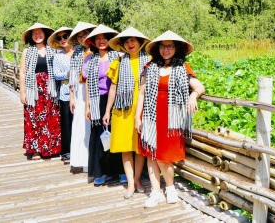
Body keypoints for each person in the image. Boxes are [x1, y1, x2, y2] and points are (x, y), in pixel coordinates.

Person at [135, 31, 205, 208]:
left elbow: (199, 86)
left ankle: (171, 188)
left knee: (165, 156)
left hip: (171, 119)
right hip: (150, 116)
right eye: (163, 46)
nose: (166, 50)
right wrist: (137, 117)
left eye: (170, 46)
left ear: (176, 48)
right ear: (158, 49)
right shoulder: (149, 67)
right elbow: (142, 94)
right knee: (151, 153)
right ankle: (156, 191)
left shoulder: (183, 68)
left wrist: (193, 96)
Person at [103, 27, 149, 198]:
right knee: (125, 148)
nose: (130, 44)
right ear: (123, 44)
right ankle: (130, 182)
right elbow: (113, 88)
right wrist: (107, 110)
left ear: (140, 42)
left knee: (139, 147)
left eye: (133, 40)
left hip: (143, 109)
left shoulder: (149, 61)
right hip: (123, 110)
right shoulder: (119, 62)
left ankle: (137, 179)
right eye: (127, 41)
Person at [83, 24, 123, 185]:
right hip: (96, 99)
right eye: (98, 38)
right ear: (93, 41)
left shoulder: (118, 56)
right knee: (99, 136)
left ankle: (119, 170)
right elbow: (86, 83)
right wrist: (87, 106)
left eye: (104, 38)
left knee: (116, 134)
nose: (101, 41)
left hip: (116, 99)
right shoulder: (90, 60)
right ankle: (101, 171)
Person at [19, 23, 61, 160]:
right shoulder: (27, 51)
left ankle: (52, 148)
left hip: (50, 89)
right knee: (34, 118)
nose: (38, 36)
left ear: (45, 34)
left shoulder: (53, 50)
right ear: (31, 36)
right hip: (34, 90)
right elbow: (23, 73)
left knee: (52, 118)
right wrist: (23, 92)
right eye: (34, 33)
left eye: (40, 33)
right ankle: (37, 150)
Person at [68, 21, 97, 174]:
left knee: (93, 126)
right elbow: (73, 75)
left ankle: (93, 161)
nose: (82, 38)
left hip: (96, 90)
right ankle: (81, 160)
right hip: (80, 89)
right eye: (79, 36)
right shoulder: (77, 52)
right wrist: (72, 96)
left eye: (85, 34)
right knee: (80, 125)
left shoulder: (98, 50)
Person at [47, 26, 74, 164]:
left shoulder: (79, 52)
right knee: (66, 121)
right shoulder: (57, 56)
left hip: (79, 91)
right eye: (60, 38)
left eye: (66, 36)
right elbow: (56, 74)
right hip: (64, 90)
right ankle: (67, 151)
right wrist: (69, 75)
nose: (63, 40)